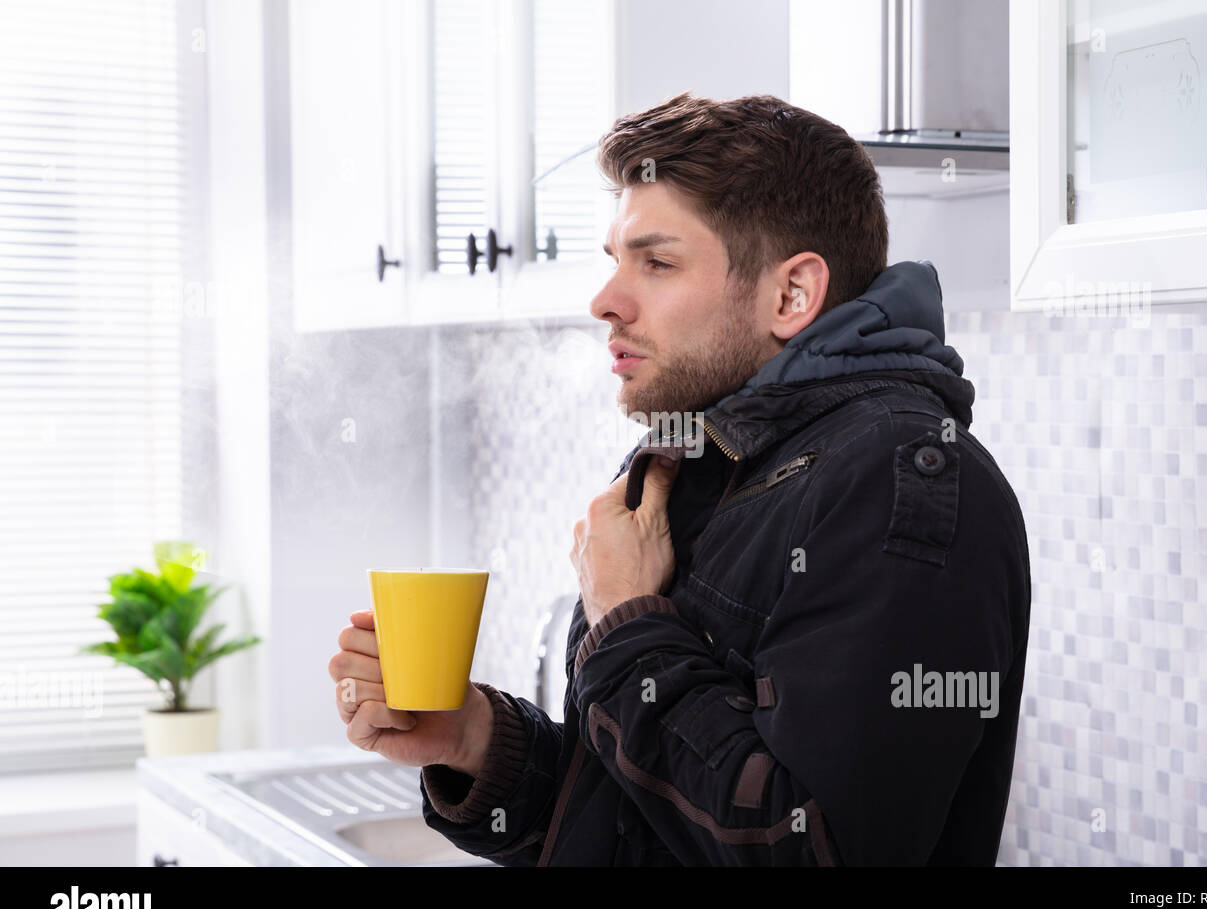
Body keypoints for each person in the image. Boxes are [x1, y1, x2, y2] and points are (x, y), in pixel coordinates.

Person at [328, 92, 1032, 865]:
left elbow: (810, 847)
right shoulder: (701, 462)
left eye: (657, 263)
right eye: (615, 261)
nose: (604, 302)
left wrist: (627, 620)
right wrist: (474, 740)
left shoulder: (902, 482)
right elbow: (644, 824)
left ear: (791, 294)